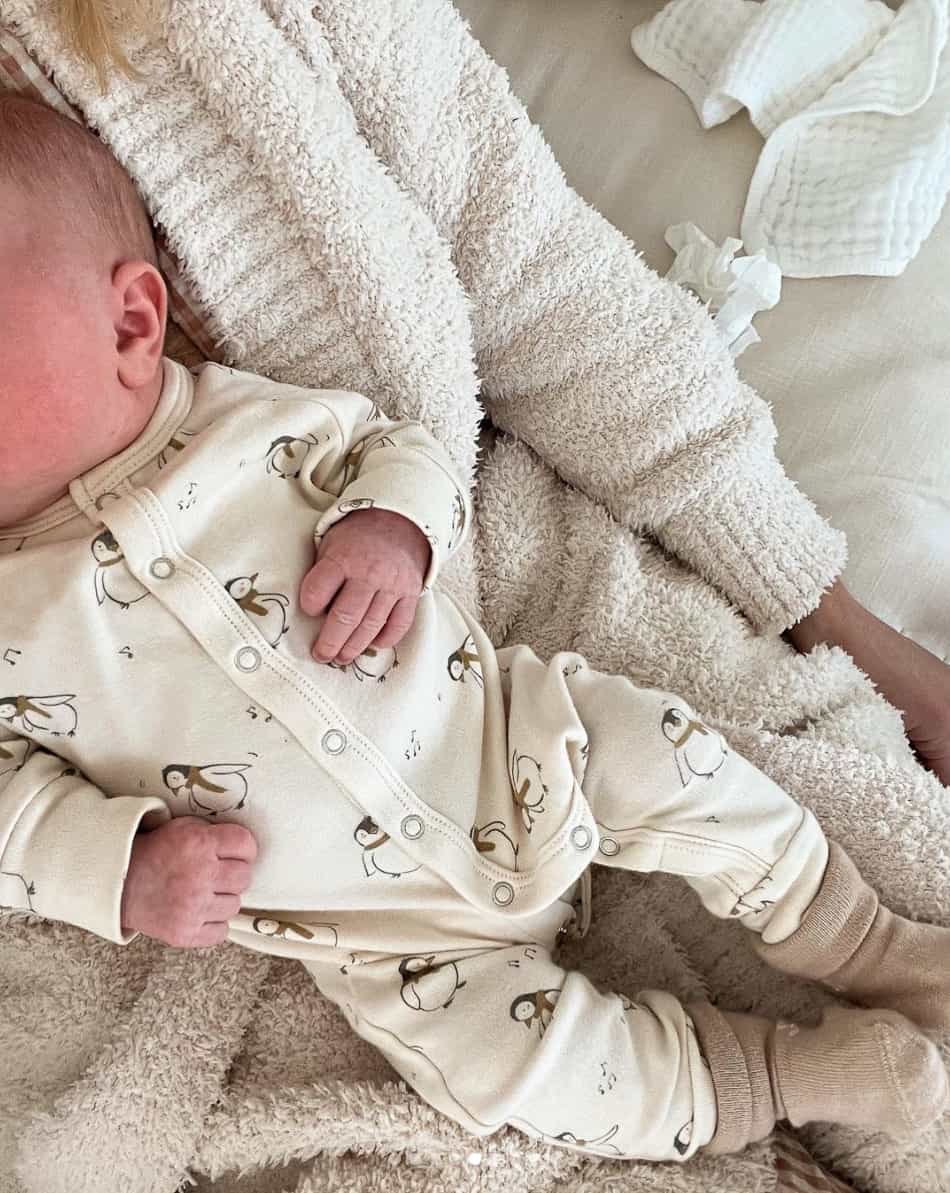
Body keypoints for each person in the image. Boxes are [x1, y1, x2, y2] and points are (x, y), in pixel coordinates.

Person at [1, 93, 948, 1164]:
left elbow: (397, 445)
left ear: (130, 323)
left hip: (510, 743)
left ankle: (867, 941)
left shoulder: (248, 421)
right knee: (506, 1076)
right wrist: (118, 871)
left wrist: (390, 527)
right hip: (389, 940)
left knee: (677, 757)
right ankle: (783, 1076)